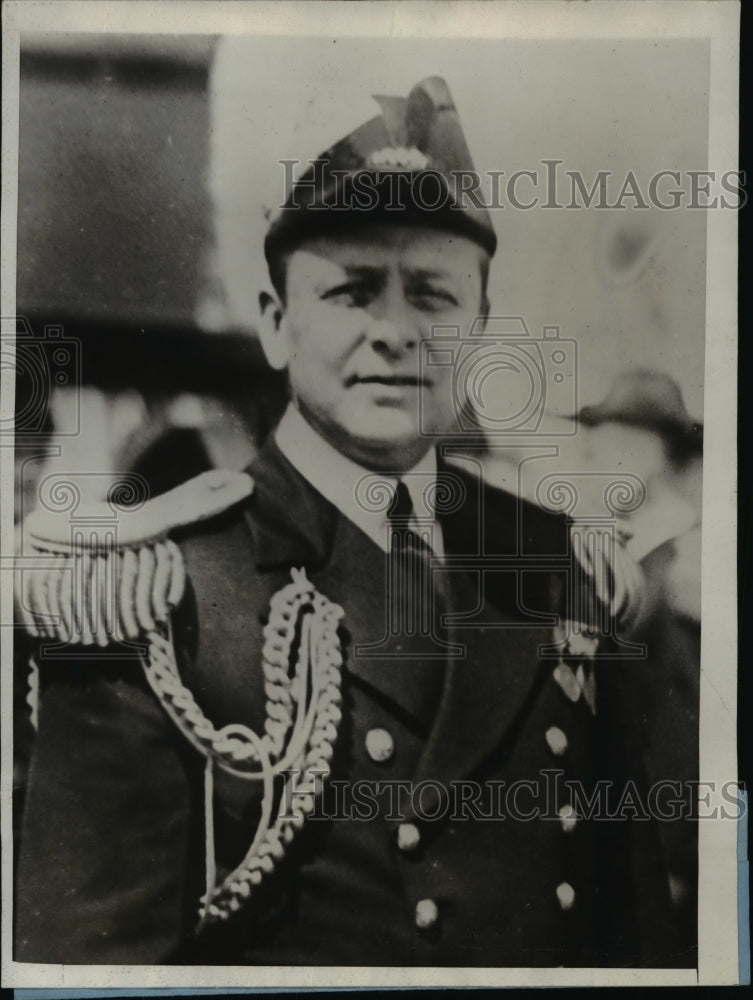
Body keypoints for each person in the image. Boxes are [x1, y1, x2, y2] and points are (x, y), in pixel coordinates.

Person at [14, 76, 683, 968]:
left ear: (479, 325)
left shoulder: (558, 567)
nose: (396, 331)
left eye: (433, 295)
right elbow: (88, 964)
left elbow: (634, 938)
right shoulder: (156, 595)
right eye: (354, 291)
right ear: (276, 324)